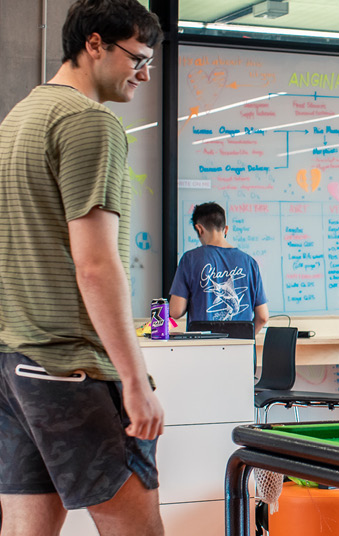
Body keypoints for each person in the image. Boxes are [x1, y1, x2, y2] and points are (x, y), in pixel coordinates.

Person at [0, 0, 165, 533]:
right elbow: (94, 264)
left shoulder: (16, 120)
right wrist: (135, 379)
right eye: (137, 58)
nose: (144, 74)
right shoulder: (90, 123)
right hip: (71, 366)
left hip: (13, 365)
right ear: (94, 44)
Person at [169, 201, 270, 333]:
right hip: (240, 348)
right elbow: (263, 317)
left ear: (199, 229)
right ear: (225, 229)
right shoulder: (250, 262)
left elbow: (175, 311)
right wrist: (246, 339)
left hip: (203, 347)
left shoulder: (190, 259)